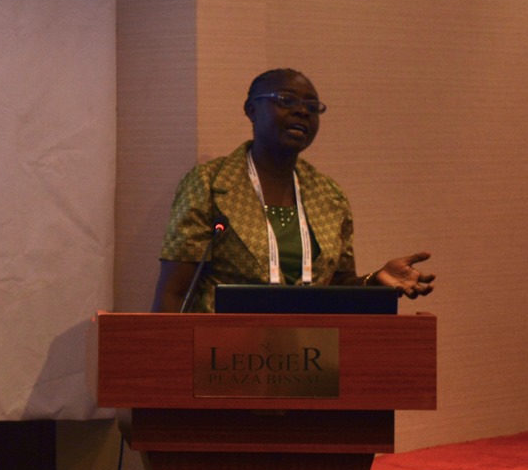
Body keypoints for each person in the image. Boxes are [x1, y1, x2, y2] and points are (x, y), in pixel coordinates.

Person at [154, 69, 435, 313]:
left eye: (312, 106)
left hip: (309, 348)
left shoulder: (329, 195)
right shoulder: (209, 184)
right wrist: (169, 352)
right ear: (252, 110)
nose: (302, 111)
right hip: (225, 349)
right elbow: (174, 293)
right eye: (286, 100)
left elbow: (337, 287)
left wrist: (376, 279)